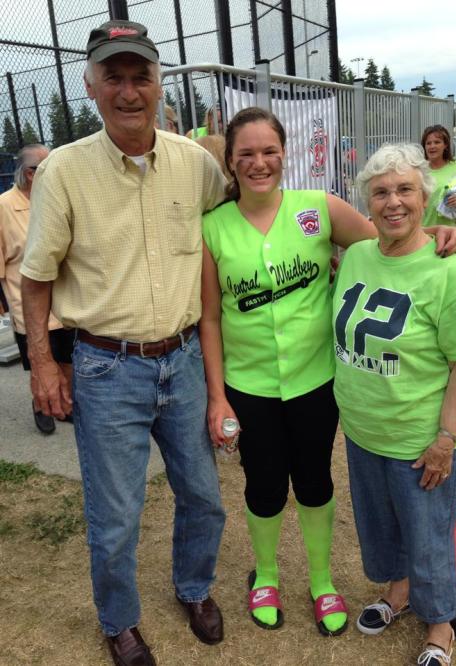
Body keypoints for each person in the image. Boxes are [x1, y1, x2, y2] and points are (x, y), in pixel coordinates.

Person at [199, 107, 456, 637]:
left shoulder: (317, 208)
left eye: (269, 151)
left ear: (285, 154)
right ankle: (268, 575)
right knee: (264, 485)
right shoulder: (212, 227)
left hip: (315, 380)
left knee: (316, 480)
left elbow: (389, 239)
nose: (259, 163)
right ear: (229, 161)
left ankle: (322, 580)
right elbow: (209, 317)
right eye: (246, 154)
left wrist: (442, 233)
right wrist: (217, 397)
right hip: (248, 384)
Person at [20, 20, 226, 666]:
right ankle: (120, 622)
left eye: (142, 77)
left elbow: (250, 210)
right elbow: (35, 280)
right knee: (115, 518)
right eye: (115, 77)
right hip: (107, 369)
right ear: (91, 87)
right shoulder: (63, 173)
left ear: (162, 86)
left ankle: (193, 589)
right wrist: (44, 363)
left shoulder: (194, 164)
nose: (129, 91)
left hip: (185, 360)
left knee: (203, 496)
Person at [332, 144, 456, 665]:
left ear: (426, 197)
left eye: (405, 190)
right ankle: (398, 593)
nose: (393, 202)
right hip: (363, 430)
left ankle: (441, 624)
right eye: (380, 192)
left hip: (421, 440)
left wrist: (445, 440)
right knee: (382, 527)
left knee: (429, 539)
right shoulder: (356, 255)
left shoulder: (448, 270)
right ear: (367, 203)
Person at [0, 144, 73, 435]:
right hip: (26, 303)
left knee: (67, 360)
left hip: (63, 302)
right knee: (40, 360)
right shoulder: (5, 207)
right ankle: (41, 405)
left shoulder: (54, 198)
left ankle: (65, 404)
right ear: (30, 174)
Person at [421, 124, 456, 227]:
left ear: (445, 145)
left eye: (437, 142)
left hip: (450, 231)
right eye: (428, 143)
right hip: (424, 231)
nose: (432, 146)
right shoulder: (420, 170)